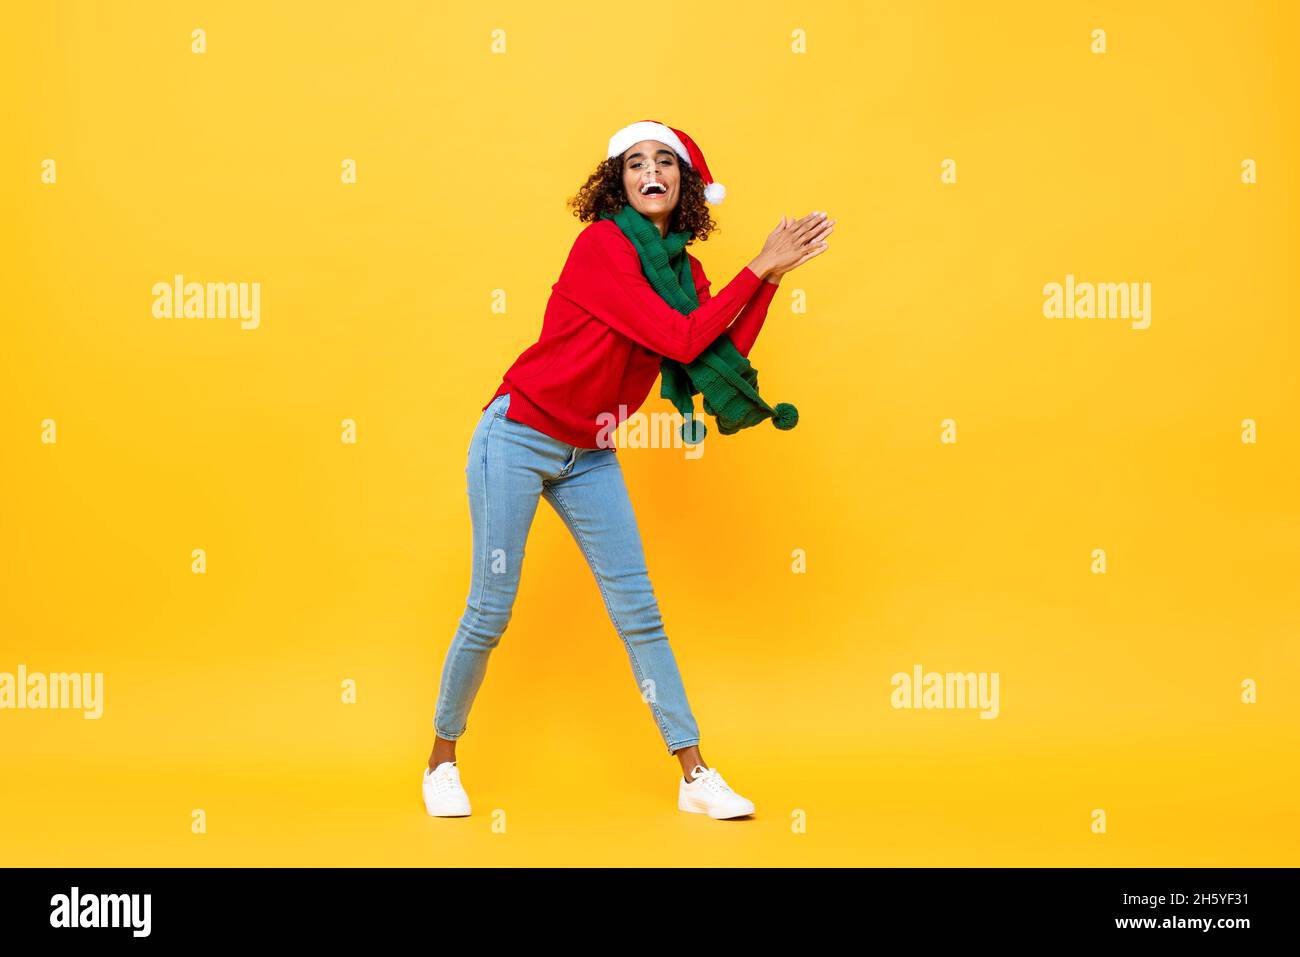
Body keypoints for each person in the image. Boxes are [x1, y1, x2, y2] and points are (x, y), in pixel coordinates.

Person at [424, 120, 834, 820]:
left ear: (686, 183)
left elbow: (711, 353)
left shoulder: (685, 272)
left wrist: (767, 280)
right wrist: (756, 267)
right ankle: (441, 761)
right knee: (490, 608)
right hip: (518, 433)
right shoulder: (602, 246)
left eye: (666, 161)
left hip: (591, 450)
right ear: (618, 182)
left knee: (639, 612)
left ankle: (694, 774)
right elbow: (676, 333)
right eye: (636, 161)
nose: (652, 170)